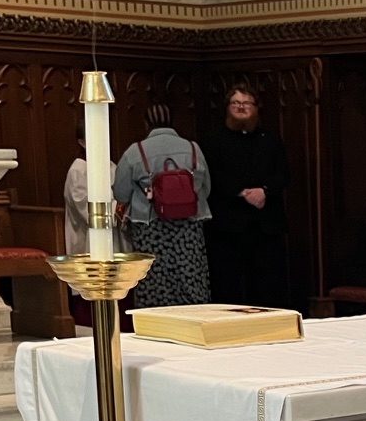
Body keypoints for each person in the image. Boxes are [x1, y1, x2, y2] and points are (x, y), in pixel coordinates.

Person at [113, 102, 211, 309]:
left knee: (154, 283)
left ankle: (154, 321)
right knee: (190, 279)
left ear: (146, 123)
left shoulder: (135, 152)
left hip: (150, 227)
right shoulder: (193, 148)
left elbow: (121, 193)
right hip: (188, 227)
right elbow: (206, 188)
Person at [204, 83, 292, 307]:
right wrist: (242, 192)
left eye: (246, 103)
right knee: (228, 283)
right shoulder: (214, 139)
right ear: (227, 107)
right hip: (227, 225)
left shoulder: (270, 139)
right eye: (235, 103)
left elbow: (283, 173)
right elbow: (212, 173)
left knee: (267, 283)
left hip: (265, 224)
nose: (241, 107)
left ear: (255, 108)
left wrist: (264, 191)